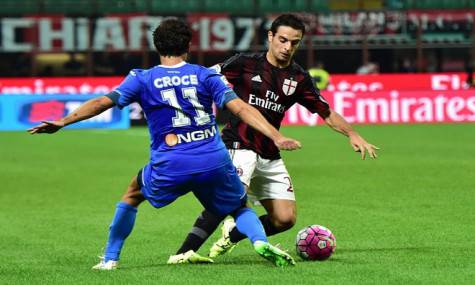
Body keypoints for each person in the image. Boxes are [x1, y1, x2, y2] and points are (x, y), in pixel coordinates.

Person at [28, 19, 301, 269]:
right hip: (213, 159)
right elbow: (241, 109)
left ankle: (110, 259)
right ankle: (258, 240)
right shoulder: (205, 76)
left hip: (171, 163)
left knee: (133, 195)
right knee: (239, 206)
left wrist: (63, 121)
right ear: (188, 46)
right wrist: (276, 136)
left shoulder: (142, 78)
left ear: (156, 46)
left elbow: (102, 103)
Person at [171, 14, 380, 260]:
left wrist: (352, 134)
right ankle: (183, 253)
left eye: (294, 42)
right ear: (270, 37)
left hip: (269, 151)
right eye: (282, 40)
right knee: (229, 198)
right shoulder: (244, 63)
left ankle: (232, 234)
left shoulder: (299, 78)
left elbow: (326, 112)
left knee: (284, 219)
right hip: (237, 144)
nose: (287, 47)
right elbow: (204, 77)